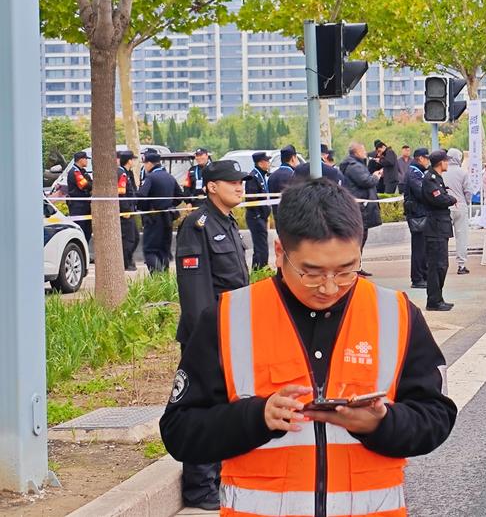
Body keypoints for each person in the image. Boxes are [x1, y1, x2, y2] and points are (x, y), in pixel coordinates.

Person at [159, 179, 457, 517]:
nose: (329, 287)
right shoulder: (229, 318)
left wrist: (381, 423)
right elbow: (180, 432)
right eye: (311, 273)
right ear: (279, 253)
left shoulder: (395, 314)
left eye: (346, 271)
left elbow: (437, 416)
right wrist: (256, 417)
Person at [174, 158, 250, 510]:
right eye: (232, 182)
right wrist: (203, 340)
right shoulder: (197, 225)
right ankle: (199, 486)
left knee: (224, 407)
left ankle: (217, 477)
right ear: (212, 187)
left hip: (233, 331)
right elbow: (195, 292)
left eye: (241, 181)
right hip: (208, 335)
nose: (239, 186)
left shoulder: (227, 222)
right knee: (202, 408)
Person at [419, 150, 455, 312]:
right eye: (446, 160)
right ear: (441, 162)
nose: (447, 163)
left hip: (441, 226)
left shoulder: (437, 178)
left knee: (442, 265)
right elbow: (439, 199)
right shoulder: (430, 179)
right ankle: (433, 301)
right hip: (435, 227)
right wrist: (452, 199)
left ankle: (438, 298)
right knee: (436, 265)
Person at [339, 143, 380, 277]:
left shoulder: (354, 165)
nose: (365, 152)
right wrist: (376, 176)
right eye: (363, 150)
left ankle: (357, 266)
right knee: (358, 238)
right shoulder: (354, 166)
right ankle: (353, 267)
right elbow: (366, 181)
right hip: (359, 208)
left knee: (361, 237)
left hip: (360, 207)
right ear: (356, 152)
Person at [137, 149, 182, 273]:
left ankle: (157, 277)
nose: (145, 167)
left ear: (149, 163)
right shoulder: (169, 177)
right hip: (168, 218)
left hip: (153, 218)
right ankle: (164, 278)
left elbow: (141, 195)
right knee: (163, 250)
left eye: (145, 164)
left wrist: (145, 208)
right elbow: (180, 196)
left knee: (150, 250)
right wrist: (169, 205)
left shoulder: (151, 177)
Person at [403, 147, 431, 289]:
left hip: (420, 213)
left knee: (423, 247)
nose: (428, 162)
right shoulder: (414, 173)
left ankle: (424, 275)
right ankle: (417, 278)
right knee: (419, 248)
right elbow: (421, 192)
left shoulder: (418, 172)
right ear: (420, 158)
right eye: (426, 158)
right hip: (417, 214)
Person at [442, 148, 471, 275]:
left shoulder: (442, 171)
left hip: (445, 207)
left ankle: (443, 263)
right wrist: (466, 202)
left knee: (443, 238)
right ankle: (461, 265)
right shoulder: (463, 172)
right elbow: (468, 191)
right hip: (460, 206)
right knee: (461, 237)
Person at [243, 152, 273, 269]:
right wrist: (258, 215)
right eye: (267, 161)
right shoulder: (253, 177)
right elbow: (252, 199)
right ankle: (263, 268)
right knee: (261, 246)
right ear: (260, 163)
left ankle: (257, 268)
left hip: (261, 216)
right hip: (256, 217)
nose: (269, 163)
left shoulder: (261, 175)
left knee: (259, 246)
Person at [117, 150, 140, 271]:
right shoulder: (122, 173)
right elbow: (121, 194)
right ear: (129, 161)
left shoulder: (126, 173)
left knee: (135, 237)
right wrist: (125, 210)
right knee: (129, 238)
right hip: (126, 212)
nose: (133, 162)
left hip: (130, 210)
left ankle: (128, 260)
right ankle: (126, 262)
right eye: (132, 159)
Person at [66, 150, 93, 244]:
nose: (87, 161)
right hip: (77, 205)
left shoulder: (82, 171)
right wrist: (91, 185)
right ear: (81, 160)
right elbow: (84, 185)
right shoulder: (75, 171)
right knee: (80, 229)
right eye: (86, 159)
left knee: (87, 230)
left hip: (85, 204)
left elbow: (90, 182)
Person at [268, 145, 301, 220]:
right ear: (293, 158)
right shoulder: (294, 175)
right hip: (292, 218)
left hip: (277, 218)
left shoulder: (272, 176)